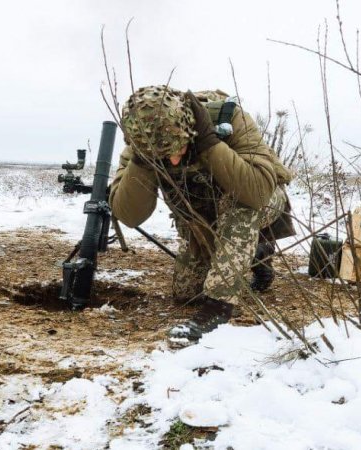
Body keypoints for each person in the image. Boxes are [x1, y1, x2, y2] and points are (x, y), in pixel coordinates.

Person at [108, 85, 295, 343]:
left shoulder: (231, 119)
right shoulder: (140, 142)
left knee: (239, 207)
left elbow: (257, 192)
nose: (174, 161)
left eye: (178, 149)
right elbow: (129, 215)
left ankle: (218, 308)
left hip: (259, 203)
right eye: (165, 156)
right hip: (205, 219)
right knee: (186, 293)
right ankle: (256, 252)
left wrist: (210, 143)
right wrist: (142, 160)